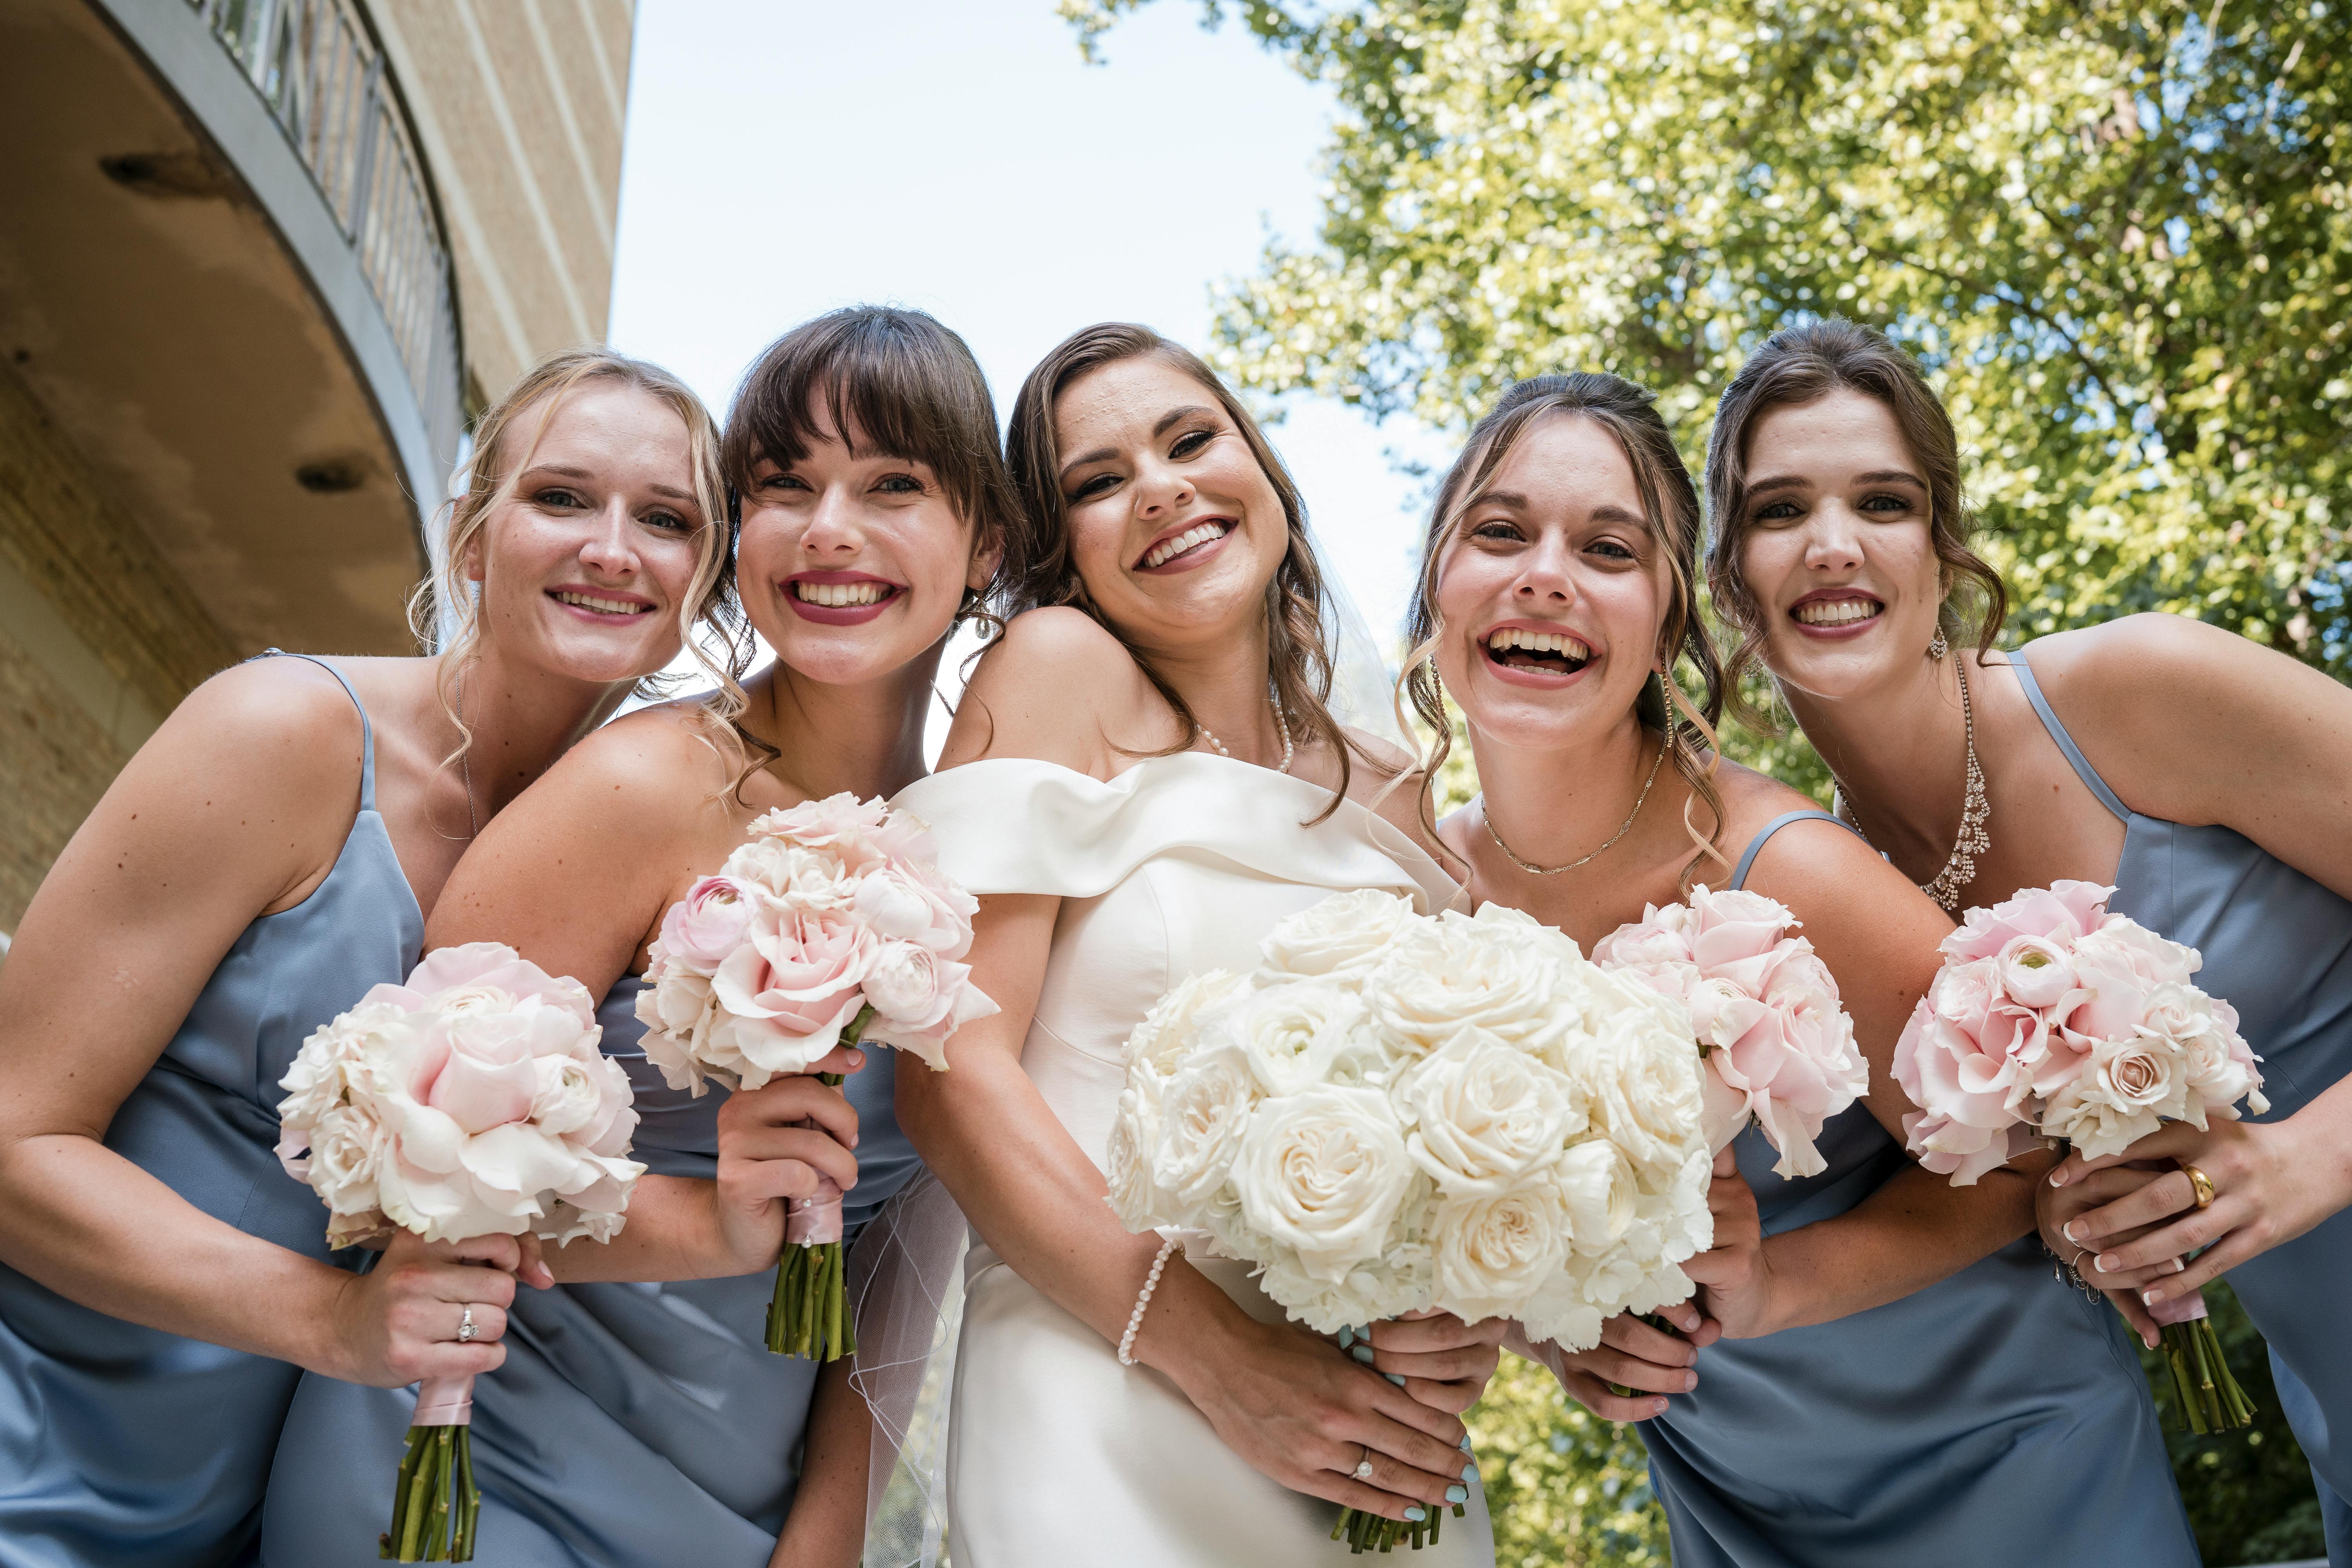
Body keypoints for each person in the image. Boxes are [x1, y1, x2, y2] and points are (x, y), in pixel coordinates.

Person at [257, 308, 1003, 1568]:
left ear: (985, 545)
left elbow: (902, 1254)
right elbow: (396, 1174)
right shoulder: (639, 785)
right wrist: (705, 1217)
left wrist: (820, 1538)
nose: (831, 528)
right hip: (477, 1459)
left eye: (892, 486)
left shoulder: (969, 855)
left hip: (740, 1505)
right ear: (736, 541)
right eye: (785, 486)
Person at [1412, 370, 2194, 1568]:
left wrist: (1772, 1286)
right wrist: (1557, 1328)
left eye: (1609, 549)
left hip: (1996, 1447)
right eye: (1501, 532)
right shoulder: (1418, 901)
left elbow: (2020, 1168)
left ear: (1671, 618)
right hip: (1732, 1481)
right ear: (1438, 584)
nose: (1545, 574)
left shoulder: (1782, 865)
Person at [0, 348, 739, 1567]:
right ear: (471, 534)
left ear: (703, 581)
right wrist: (337, 1323)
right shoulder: (281, 735)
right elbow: (15, 1139)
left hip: (260, 1519)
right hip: (37, 1454)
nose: (615, 548)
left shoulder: (631, 883)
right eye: (562, 498)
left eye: (665, 520)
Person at [1703, 316, 2352, 1563]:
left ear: (1943, 545)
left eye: (1881, 501)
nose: (1834, 545)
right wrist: (2082, 1221)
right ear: (1731, 576)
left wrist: (2309, 1159)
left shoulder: (2136, 692)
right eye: (1781, 511)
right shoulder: (1840, 911)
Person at [888, 323, 1501, 1566]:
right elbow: (951, 1074)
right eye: (1098, 482)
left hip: (1365, 1428)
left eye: (1189, 440)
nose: (1159, 488)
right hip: (1096, 1382)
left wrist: (1451, 1309)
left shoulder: (1398, 790)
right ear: (1064, 552)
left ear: (1262, 470)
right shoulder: (1057, 672)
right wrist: (1212, 1354)